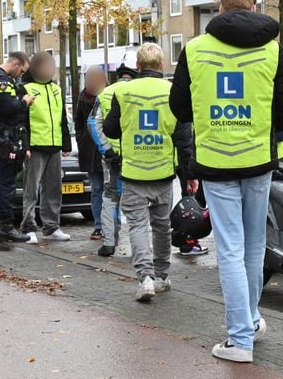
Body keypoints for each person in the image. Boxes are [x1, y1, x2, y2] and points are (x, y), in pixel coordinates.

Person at [169, 0, 283, 363]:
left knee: (229, 249)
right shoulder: (272, 48)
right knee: (253, 246)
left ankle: (240, 339)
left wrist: (213, 119)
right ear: (255, 6)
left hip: (215, 161)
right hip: (258, 159)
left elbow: (179, 107)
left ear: (221, 8)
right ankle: (252, 321)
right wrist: (261, 127)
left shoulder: (194, 50)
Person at [103, 43, 194, 302]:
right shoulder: (172, 92)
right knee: (162, 227)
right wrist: (189, 177)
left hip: (133, 173)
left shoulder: (124, 92)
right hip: (163, 174)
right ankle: (162, 276)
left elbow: (110, 129)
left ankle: (145, 278)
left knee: (138, 227)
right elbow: (183, 140)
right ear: (161, 66)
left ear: (138, 66)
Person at [19, 51, 72, 243]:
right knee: (31, 189)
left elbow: (62, 118)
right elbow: (22, 120)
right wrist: (25, 145)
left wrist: (66, 143)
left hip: (54, 145)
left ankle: (51, 227)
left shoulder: (56, 89)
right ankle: (28, 227)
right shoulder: (25, 88)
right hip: (35, 145)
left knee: (53, 188)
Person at [0, 52, 34, 243]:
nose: (20, 74)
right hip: (4, 136)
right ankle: (6, 226)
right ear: (15, 63)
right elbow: (8, 108)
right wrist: (24, 102)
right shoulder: (2, 81)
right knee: (6, 183)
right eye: (21, 69)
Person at [89, 64, 138, 257]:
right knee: (136, 201)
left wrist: (106, 150)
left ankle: (109, 243)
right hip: (137, 156)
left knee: (110, 198)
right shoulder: (139, 92)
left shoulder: (105, 93)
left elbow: (93, 122)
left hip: (113, 159)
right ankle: (138, 246)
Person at [76, 66, 108, 240]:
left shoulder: (109, 96)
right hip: (90, 151)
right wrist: (82, 140)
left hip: (108, 151)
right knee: (97, 189)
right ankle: (98, 225)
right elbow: (78, 123)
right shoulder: (82, 99)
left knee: (111, 191)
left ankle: (111, 225)